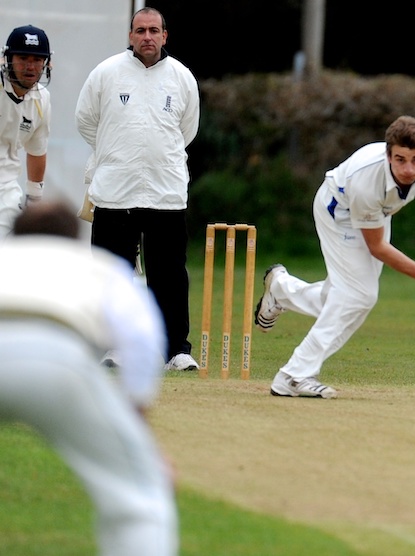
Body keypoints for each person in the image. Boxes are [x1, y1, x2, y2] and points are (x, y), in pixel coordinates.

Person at [253, 79, 415, 398]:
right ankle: (293, 376)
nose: (409, 169)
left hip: (378, 213)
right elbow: (377, 247)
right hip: (338, 211)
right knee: (358, 296)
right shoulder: (367, 180)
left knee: (345, 295)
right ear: (388, 154)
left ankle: (282, 290)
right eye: (400, 160)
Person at [0, 200, 178, 556]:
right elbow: (142, 338)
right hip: (58, 359)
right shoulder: (96, 266)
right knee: (139, 496)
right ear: (72, 240)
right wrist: (137, 420)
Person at [75, 7, 201, 371]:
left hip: (166, 191)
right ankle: (113, 347)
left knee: (169, 275)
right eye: (140, 30)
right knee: (113, 274)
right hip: (116, 190)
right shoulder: (106, 73)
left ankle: (175, 349)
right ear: (130, 35)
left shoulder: (182, 78)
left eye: (154, 30)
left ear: (165, 36)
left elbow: (186, 131)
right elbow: (86, 122)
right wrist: (117, 154)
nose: (147, 36)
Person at [0, 24, 51, 239]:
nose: (30, 66)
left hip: (6, 185)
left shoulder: (42, 98)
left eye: (37, 60)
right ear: (8, 59)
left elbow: (37, 150)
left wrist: (35, 199)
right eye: (23, 58)